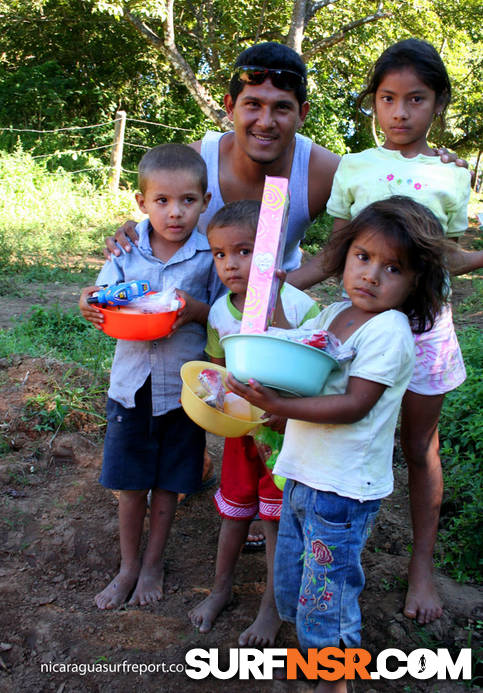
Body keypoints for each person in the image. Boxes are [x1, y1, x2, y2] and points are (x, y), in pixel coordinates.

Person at [103, 39, 470, 587]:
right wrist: (131, 232)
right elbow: (161, 197)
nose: (265, 120)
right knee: (232, 411)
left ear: (301, 113)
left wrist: (441, 164)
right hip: (218, 313)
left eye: (282, 107)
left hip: (301, 313)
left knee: (348, 431)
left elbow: (400, 218)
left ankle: (383, 553)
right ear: (230, 107)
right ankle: (237, 493)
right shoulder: (202, 158)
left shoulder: (327, 168)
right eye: (252, 104)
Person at [289, 39, 482, 625]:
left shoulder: (452, 175)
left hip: (425, 331)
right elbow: (334, 254)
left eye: (416, 99)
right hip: (360, 336)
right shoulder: (355, 167)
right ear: (373, 102)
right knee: (348, 429)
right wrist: (265, 292)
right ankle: (337, 548)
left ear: (438, 104)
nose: (400, 113)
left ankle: (420, 567)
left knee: (419, 447)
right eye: (388, 98)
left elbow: (447, 254)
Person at [227, 198, 451, 692]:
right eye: (363, 257)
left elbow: (353, 404)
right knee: (294, 588)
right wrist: (269, 294)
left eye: (392, 268)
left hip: (344, 492)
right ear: (344, 256)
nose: (371, 275)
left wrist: (281, 409)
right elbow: (291, 349)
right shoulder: (333, 313)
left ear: (415, 282)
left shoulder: (389, 331)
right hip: (305, 476)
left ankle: (336, 683)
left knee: (325, 604)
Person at [79, 144, 224, 609]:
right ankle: (126, 566)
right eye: (162, 201)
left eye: (187, 201)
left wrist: (193, 309)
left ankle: (154, 561)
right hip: (130, 389)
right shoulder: (125, 250)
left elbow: (223, 313)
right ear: (142, 203)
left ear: (204, 201)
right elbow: (100, 296)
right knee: (130, 484)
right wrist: (89, 301)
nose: (175, 212)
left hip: (184, 393)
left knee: (169, 484)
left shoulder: (209, 255)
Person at [189, 200, 320, 646]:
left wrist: (285, 409)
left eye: (244, 251)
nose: (230, 264)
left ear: (271, 251)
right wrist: (214, 402)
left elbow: (319, 367)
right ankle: (221, 588)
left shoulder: (301, 306)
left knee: (275, 522)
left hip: (285, 437)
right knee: (234, 512)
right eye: (220, 254)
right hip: (240, 435)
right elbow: (217, 371)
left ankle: (272, 607)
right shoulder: (219, 312)